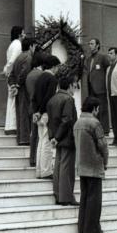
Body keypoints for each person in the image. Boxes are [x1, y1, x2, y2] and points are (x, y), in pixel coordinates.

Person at [74, 97, 108, 233]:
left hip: (82, 165)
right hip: (94, 165)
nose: (98, 111)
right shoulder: (95, 123)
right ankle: (92, 228)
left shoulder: (77, 123)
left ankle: (82, 227)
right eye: (98, 109)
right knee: (95, 199)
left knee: (85, 197)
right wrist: (105, 161)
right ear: (94, 108)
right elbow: (103, 146)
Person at [47, 75, 79, 206]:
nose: (75, 88)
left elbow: (50, 122)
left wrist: (53, 137)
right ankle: (66, 197)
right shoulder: (68, 99)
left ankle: (58, 194)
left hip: (57, 137)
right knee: (67, 167)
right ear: (70, 85)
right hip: (66, 137)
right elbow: (67, 120)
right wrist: (58, 136)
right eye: (75, 85)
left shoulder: (52, 99)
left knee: (59, 166)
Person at [32, 54, 61, 179]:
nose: (58, 69)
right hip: (46, 113)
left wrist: (36, 112)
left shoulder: (40, 77)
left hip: (39, 113)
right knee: (47, 142)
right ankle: (46, 171)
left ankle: (39, 170)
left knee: (41, 141)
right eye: (58, 66)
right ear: (54, 66)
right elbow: (49, 98)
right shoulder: (52, 79)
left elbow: (34, 97)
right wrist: (42, 111)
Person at [8, 37, 36, 145]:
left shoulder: (18, 57)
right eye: (34, 46)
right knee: (25, 112)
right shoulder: (28, 57)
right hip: (25, 88)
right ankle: (25, 139)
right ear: (30, 46)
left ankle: (21, 138)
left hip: (19, 89)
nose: (34, 49)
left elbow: (11, 75)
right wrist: (18, 84)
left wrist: (13, 85)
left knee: (20, 112)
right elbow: (25, 73)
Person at [2, 26, 25, 135]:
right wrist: (7, 70)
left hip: (11, 74)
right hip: (14, 75)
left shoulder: (12, 45)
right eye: (23, 33)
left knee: (11, 99)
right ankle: (12, 127)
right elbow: (13, 61)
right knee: (13, 100)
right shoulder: (17, 44)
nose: (24, 35)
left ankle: (10, 126)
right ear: (19, 34)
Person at [85, 38, 110, 135]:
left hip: (101, 88)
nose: (90, 45)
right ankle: (95, 129)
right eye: (89, 43)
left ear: (97, 45)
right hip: (91, 88)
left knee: (103, 108)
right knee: (93, 109)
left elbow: (108, 71)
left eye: (92, 43)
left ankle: (105, 130)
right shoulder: (88, 59)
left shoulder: (103, 57)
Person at [25, 51, 46, 166]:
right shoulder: (40, 75)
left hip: (31, 106)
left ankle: (32, 158)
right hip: (38, 108)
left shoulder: (29, 75)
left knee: (34, 135)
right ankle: (36, 159)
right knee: (39, 135)